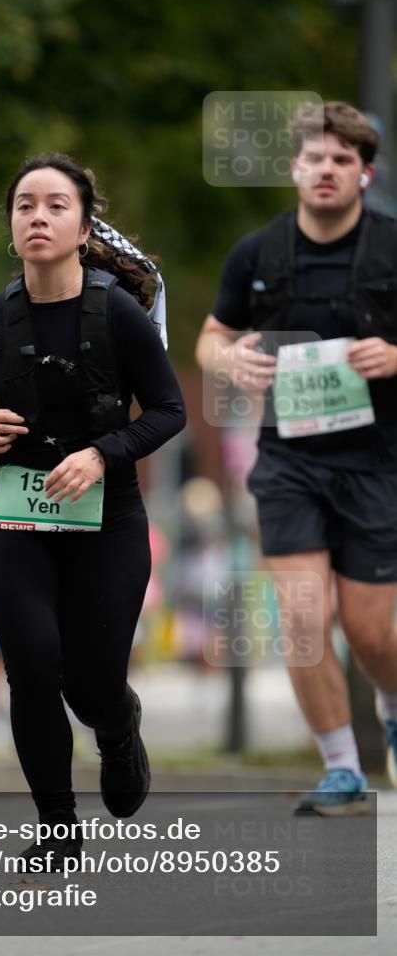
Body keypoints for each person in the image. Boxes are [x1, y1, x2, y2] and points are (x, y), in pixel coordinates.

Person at [0, 152, 186, 867]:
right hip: (15, 514)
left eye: (55, 205)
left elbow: (169, 410)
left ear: (84, 228)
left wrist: (103, 454)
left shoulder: (119, 314)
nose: (37, 217)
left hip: (108, 518)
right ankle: (57, 826)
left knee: (92, 683)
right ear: (12, 229)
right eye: (25, 206)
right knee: (33, 666)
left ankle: (118, 726)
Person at [195, 102, 397, 814]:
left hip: (377, 463)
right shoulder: (257, 254)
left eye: (343, 159)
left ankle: (391, 705)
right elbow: (210, 337)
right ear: (294, 167)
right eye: (315, 157)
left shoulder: (391, 247)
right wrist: (231, 362)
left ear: (364, 173)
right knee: (303, 619)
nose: (326, 170)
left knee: (370, 634)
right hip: (289, 463)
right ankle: (341, 768)